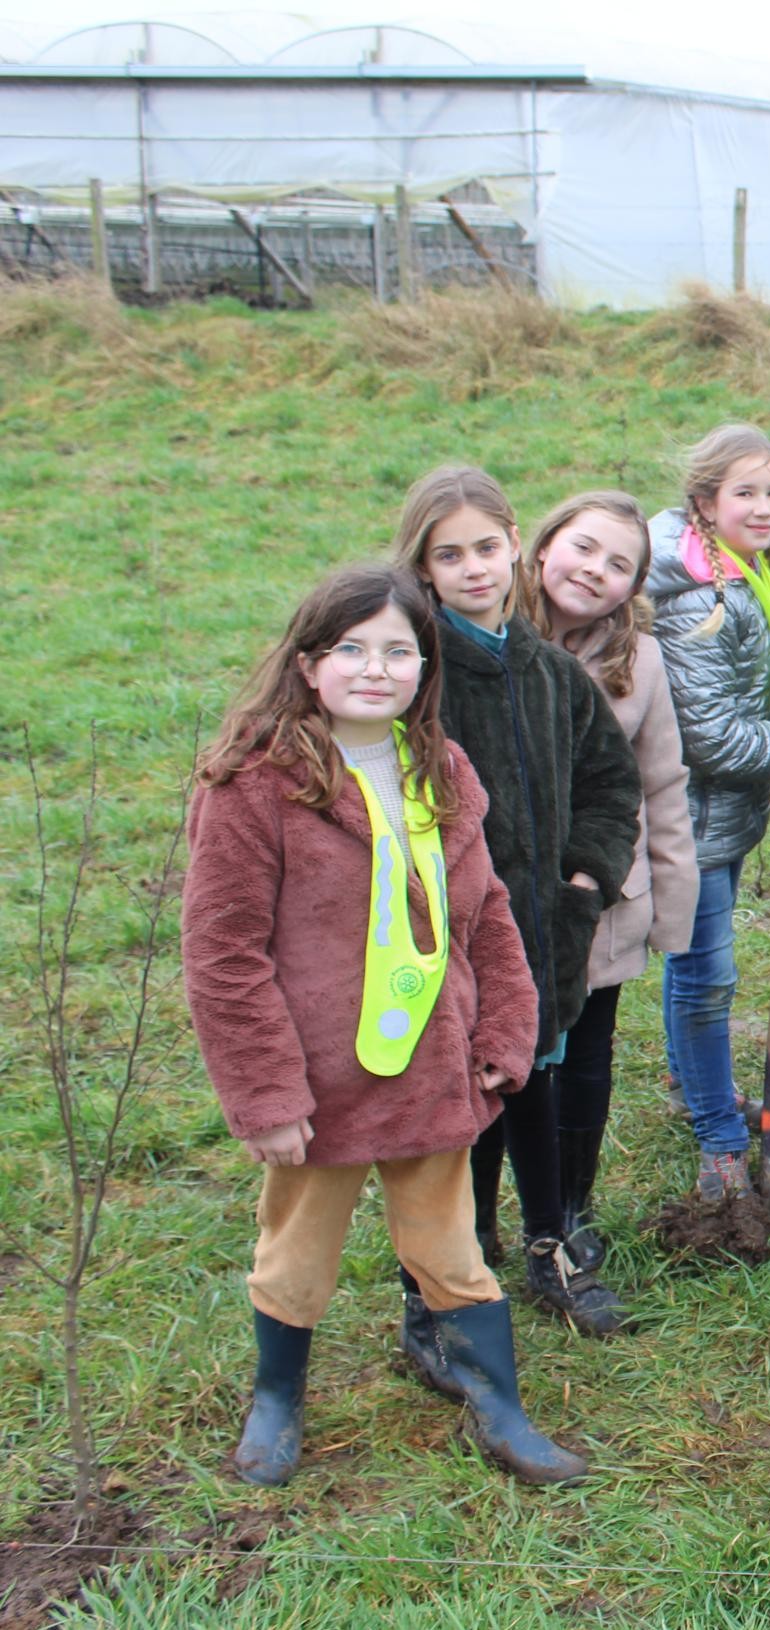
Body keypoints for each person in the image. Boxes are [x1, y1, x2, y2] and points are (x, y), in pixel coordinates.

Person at [184, 565, 585, 1486]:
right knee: (297, 1251)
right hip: (318, 1081)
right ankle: (277, 1401)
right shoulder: (253, 786)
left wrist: (501, 1035)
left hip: (430, 1066)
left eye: (399, 650)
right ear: (309, 662)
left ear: (424, 665)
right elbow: (224, 955)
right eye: (352, 649)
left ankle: (500, 1408)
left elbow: (485, 913)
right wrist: (267, 1094)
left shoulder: (440, 768)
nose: (377, 668)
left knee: (449, 1243)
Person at [391, 467, 641, 1341]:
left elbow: (613, 785)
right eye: (448, 554)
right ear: (422, 567)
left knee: (537, 1081)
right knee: (459, 1106)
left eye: (486, 548)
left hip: (546, 937)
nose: (472, 569)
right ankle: (440, 1274)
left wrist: (585, 883)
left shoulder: (552, 673)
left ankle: (549, 1245)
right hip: (446, 946)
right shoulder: (414, 676)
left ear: (515, 548)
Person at [647, 425, 770, 1202]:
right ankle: (720, 1137)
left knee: (694, 968)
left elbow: (762, 647)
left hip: (715, 819)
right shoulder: (699, 597)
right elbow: (715, 738)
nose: (764, 508)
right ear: (704, 501)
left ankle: (699, 1085)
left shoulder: (739, 572)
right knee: (706, 977)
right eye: (744, 493)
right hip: (689, 819)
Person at [517, 491, 698, 1274]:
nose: (594, 571)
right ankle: (480, 1219)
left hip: (601, 899)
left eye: (618, 564)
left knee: (587, 1054)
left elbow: (662, 785)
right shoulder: (484, 633)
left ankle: (571, 1208)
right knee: (507, 1059)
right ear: (544, 542)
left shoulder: (640, 661)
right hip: (500, 898)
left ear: (634, 586)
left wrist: (672, 912)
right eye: (583, 547)